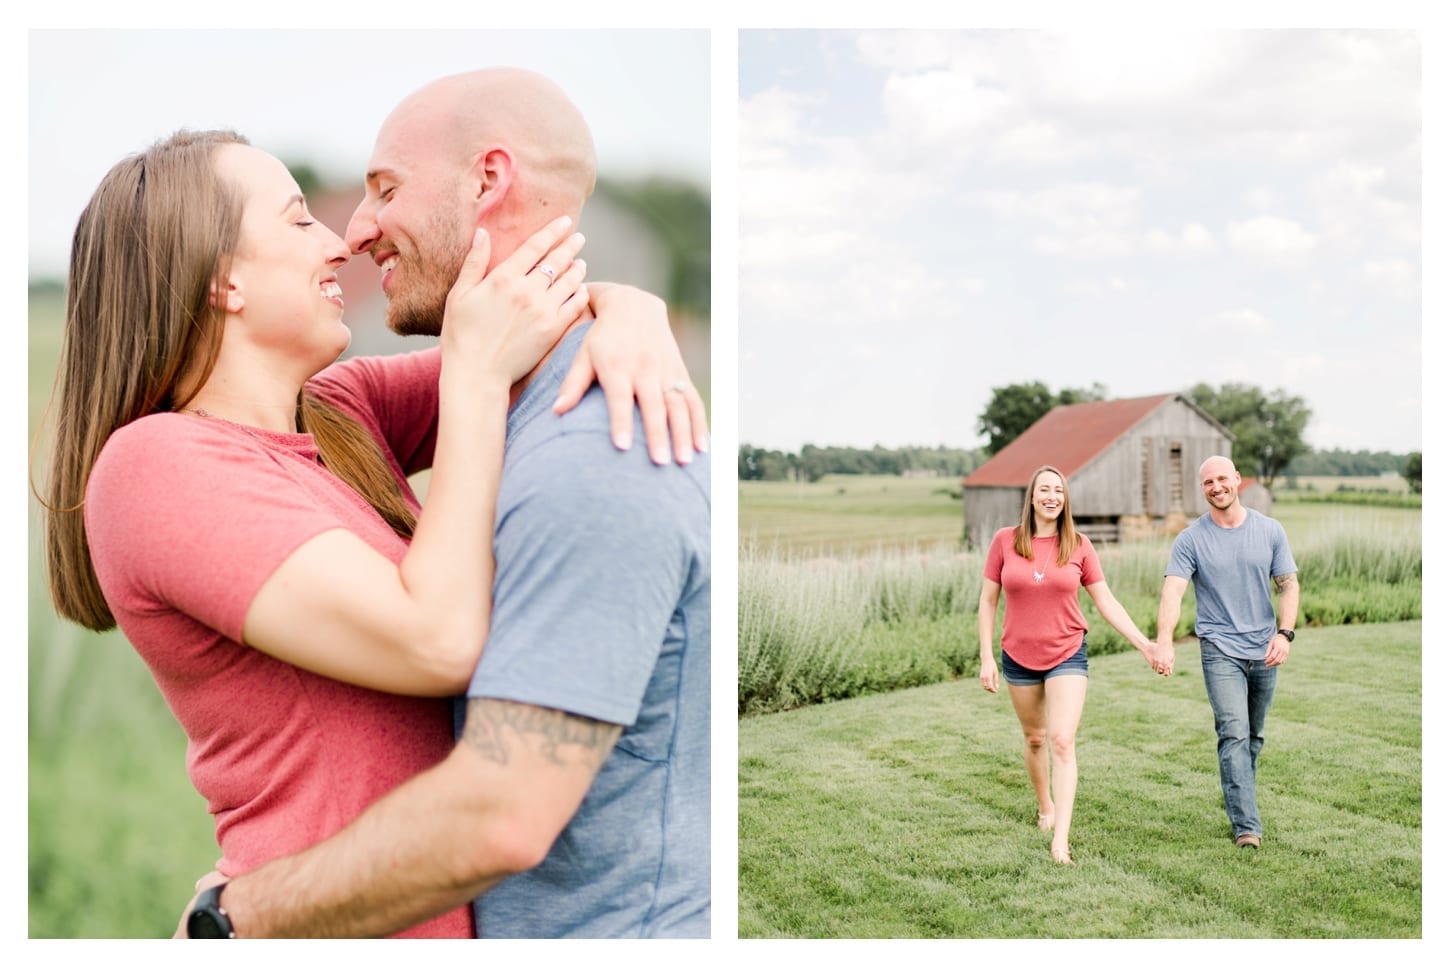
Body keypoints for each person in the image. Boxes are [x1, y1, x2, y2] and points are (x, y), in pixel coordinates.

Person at [40, 129, 702, 939]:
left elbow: (532, 327)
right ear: (223, 282)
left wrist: (635, 309)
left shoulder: (338, 411)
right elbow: (436, 639)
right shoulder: (154, 467)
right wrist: (474, 377)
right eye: (296, 221)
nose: (338, 240)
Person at [978, 465, 1164, 865]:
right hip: (1018, 655)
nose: (1052, 496)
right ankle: (1045, 805)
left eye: (1058, 491)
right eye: (1044, 489)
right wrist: (986, 656)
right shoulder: (1004, 542)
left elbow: (1106, 601)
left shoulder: (1078, 545)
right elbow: (988, 600)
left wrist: (1144, 644)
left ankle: (1060, 839)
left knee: (1062, 740)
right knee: (1035, 738)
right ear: (1031, 497)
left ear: (1065, 500)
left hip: (1067, 651)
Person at [1153, 455, 1298, 850]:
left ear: (1237, 480)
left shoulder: (1270, 530)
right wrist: (1164, 640)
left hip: (1265, 646)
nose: (1216, 487)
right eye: (1207, 483)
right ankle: (1246, 827)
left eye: (1222, 479)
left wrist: (1284, 635)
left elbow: (1287, 585)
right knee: (1233, 731)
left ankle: (1237, 796)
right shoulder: (1191, 539)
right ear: (1202, 489)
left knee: (1254, 736)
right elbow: (1173, 591)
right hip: (1219, 648)